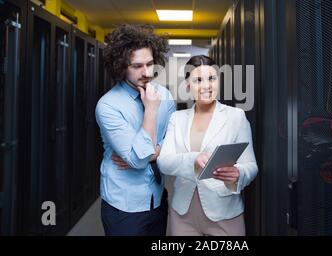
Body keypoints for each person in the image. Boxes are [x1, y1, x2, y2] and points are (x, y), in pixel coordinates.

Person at [157, 55, 258, 236]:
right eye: (198, 80)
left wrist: (239, 174)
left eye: (212, 78)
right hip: (183, 213)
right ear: (188, 85)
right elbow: (164, 162)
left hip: (224, 212)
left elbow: (251, 166)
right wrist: (193, 159)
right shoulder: (177, 119)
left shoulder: (236, 117)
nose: (206, 86)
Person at [95, 24, 175, 236]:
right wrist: (150, 110)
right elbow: (139, 159)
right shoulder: (108, 105)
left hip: (157, 197)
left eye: (150, 64)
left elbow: (175, 142)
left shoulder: (165, 95)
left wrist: (153, 153)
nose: (147, 72)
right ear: (121, 66)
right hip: (124, 205)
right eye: (137, 66)